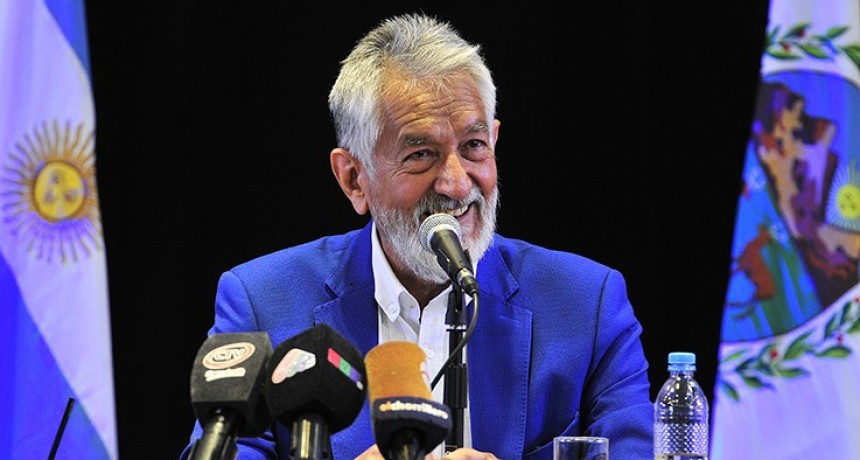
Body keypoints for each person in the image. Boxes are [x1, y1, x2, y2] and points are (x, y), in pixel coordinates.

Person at [181, 12, 653, 460]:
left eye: (473, 146)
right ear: (354, 179)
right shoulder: (263, 303)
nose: (457, 184)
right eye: (421, 154)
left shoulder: (587, 305)